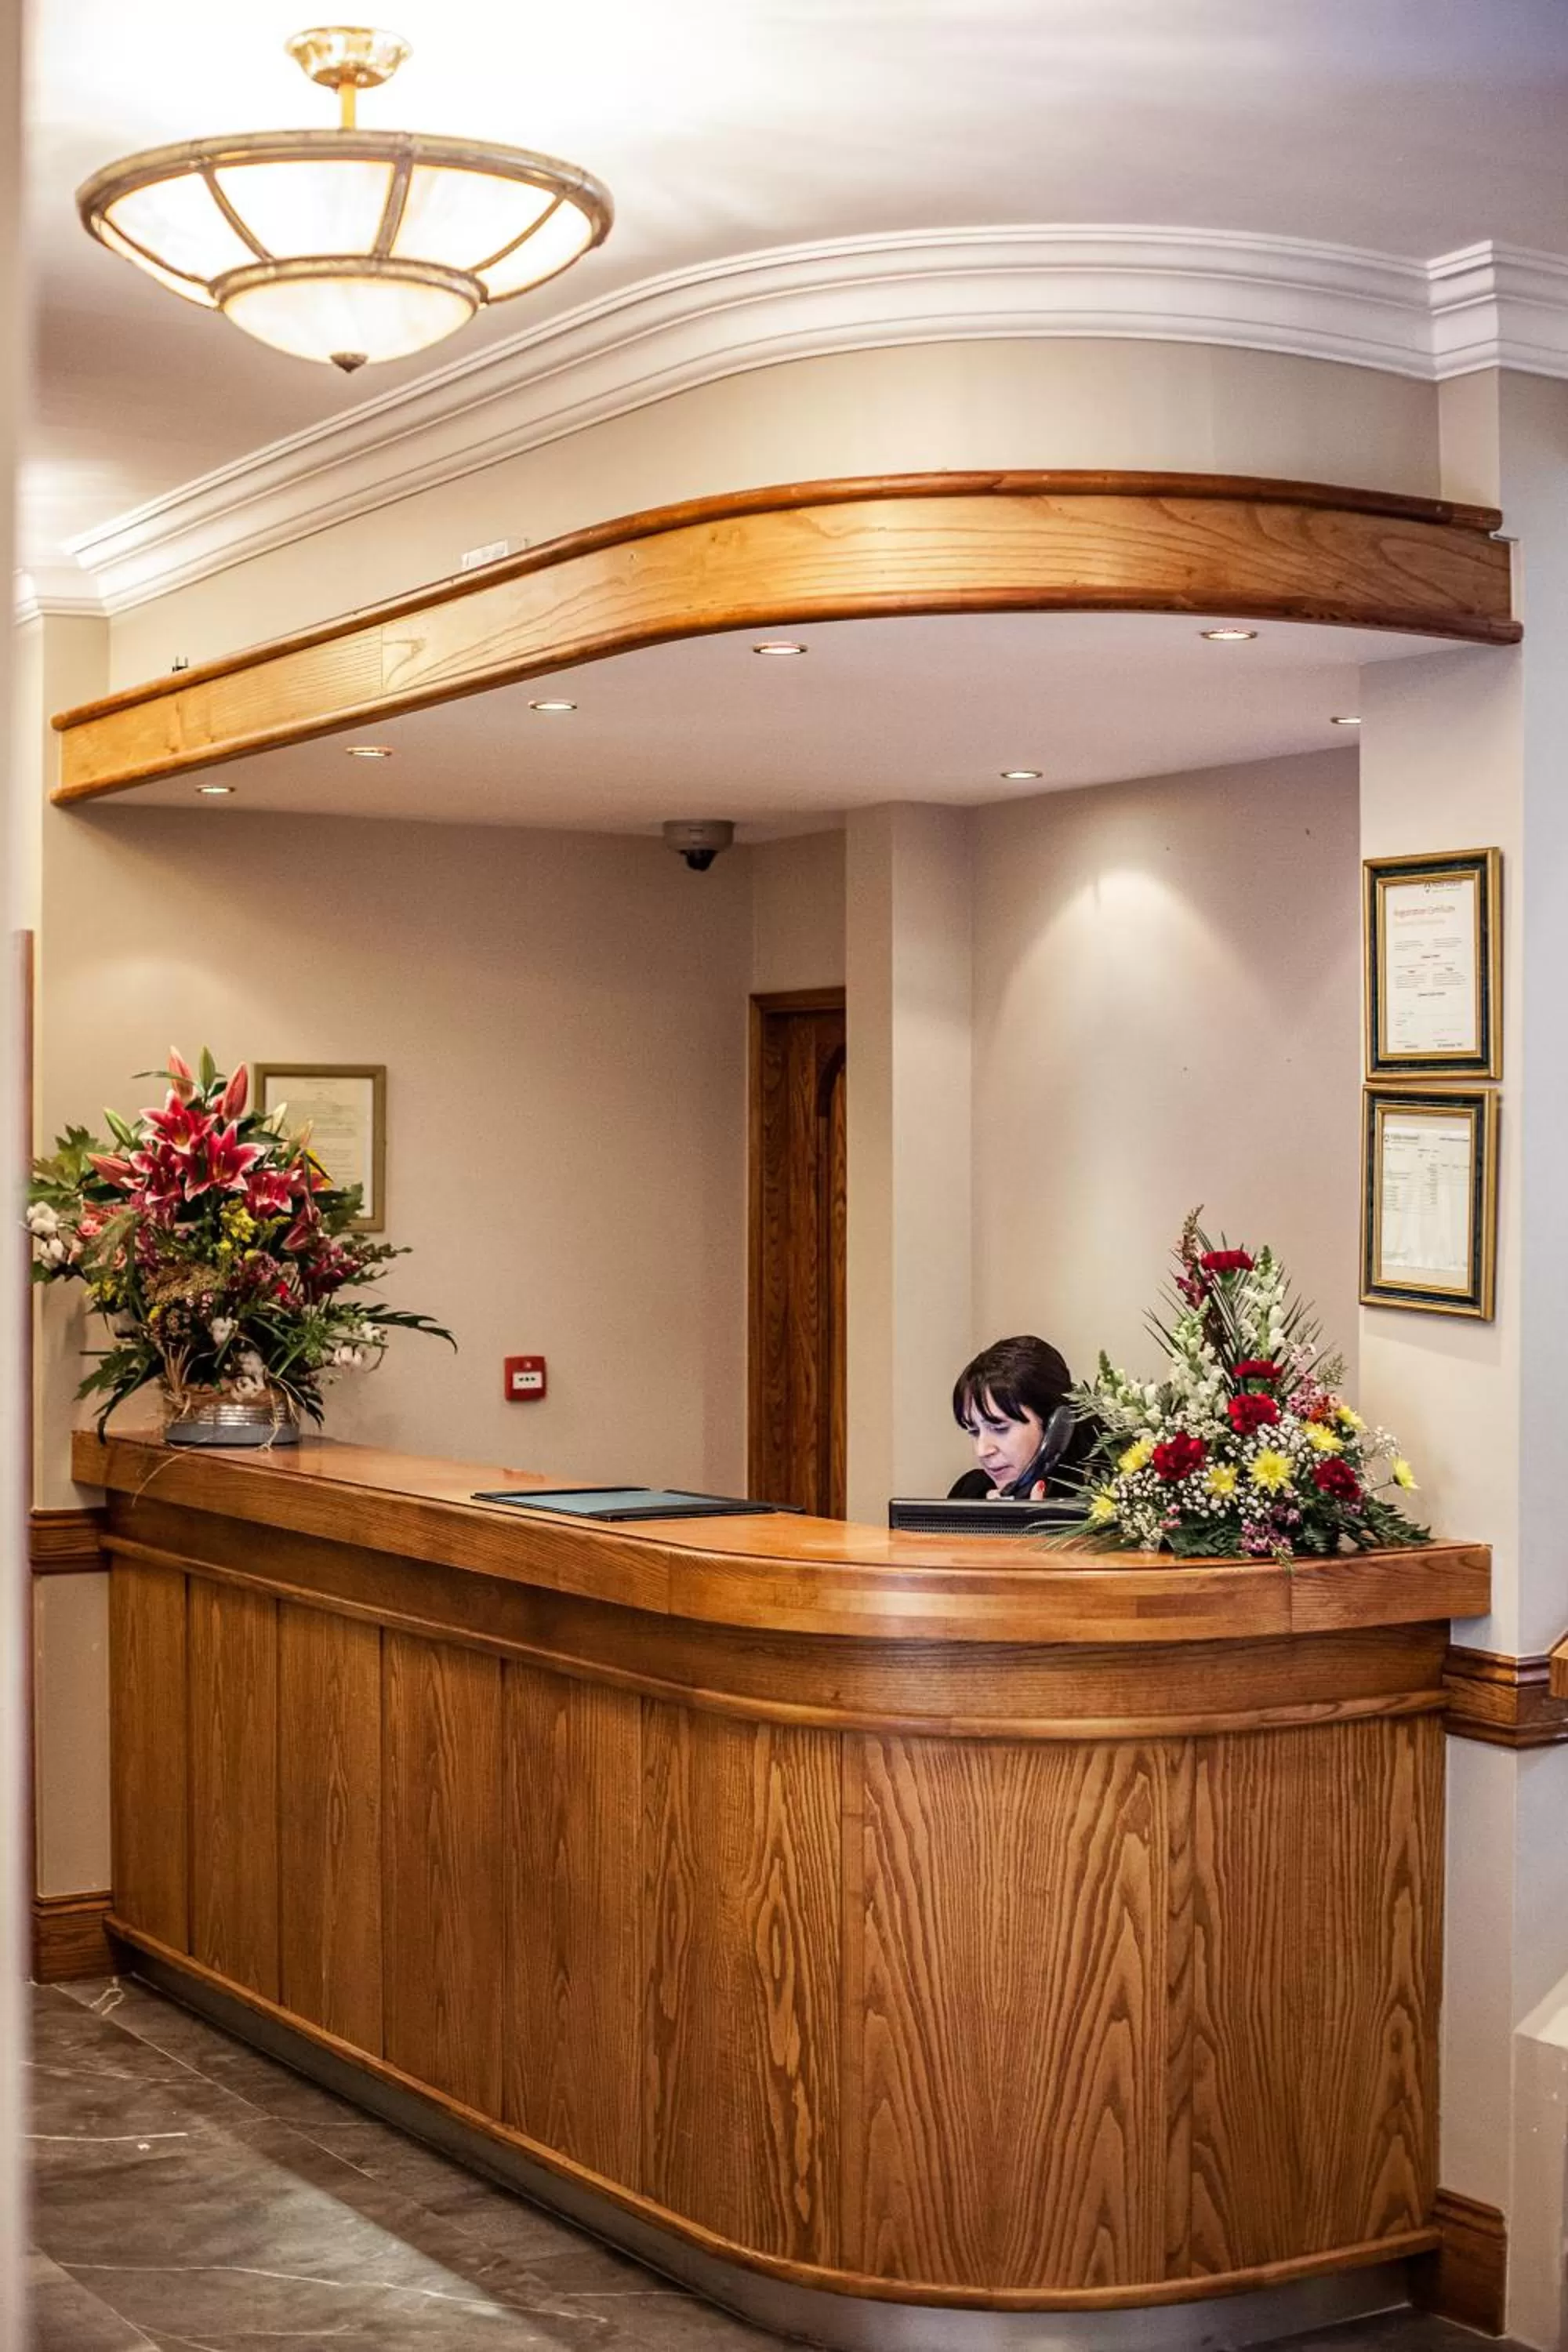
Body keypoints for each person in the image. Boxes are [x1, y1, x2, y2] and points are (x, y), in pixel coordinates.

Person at [949, 1334, 1097, 1500]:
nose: (982, 1451)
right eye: (974, 1432)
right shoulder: (970, 1492)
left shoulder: (1111, 1501)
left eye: (1000, 1429)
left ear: (1056, 1428)